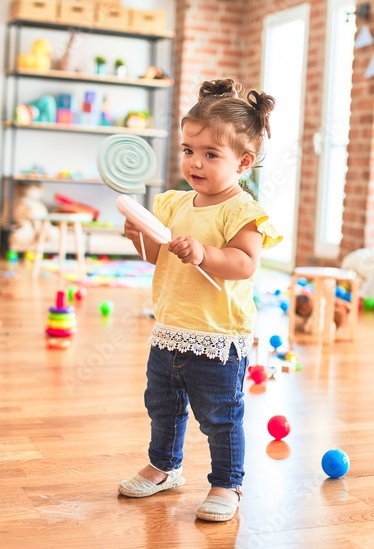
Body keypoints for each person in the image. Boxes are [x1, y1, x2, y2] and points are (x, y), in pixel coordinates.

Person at [117, 77, 282, 522]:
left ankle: (227, 483)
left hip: (217, 335)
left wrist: (205, 253)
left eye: (211, 154)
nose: (195, 162)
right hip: (171, 327)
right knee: (162, 406)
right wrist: (138, 235)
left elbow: (244, 263)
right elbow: (156, 255)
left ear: (244, 162)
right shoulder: (174, 204)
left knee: (220, 416)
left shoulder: (243, 211)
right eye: (189, 150)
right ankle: (164, 466)